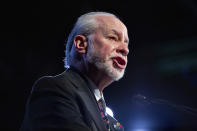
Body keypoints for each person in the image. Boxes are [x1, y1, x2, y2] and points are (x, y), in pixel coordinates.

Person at [20, 11, 129, 131]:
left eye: (126, 43)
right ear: (81, 44)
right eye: (113, 38)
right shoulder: (54, 89)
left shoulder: (112, 123)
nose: (125, 50)